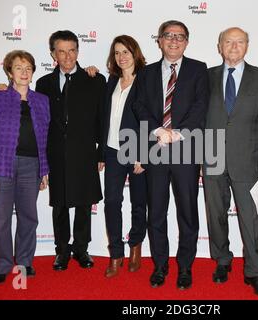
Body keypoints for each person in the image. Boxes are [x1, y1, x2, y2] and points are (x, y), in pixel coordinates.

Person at [133, 20, 209, 290]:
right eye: (169, 36)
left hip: (186, 151)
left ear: (187, 42)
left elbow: (201, 107)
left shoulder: (199, 70)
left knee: (188, 212)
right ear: (160, 40)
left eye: (180, 37)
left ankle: (185, 267)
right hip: (155, 150)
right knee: (156, 212)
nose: (174, 41)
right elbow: (139, 105)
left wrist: (176, 133)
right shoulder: (146, 72)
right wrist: (158, 130)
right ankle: (160, 265)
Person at [202, 27, 258, 298]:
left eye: (239, 42)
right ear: (219, 46)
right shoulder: (205, 77)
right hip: (212, 158)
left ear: (247, 46)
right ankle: (222, 260)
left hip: (249, 161)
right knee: (216, 215)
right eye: (228, 42)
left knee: (252, 220)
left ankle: (255, 271)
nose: (233, 46)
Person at [36, 30, 107, 271]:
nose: (67, 56)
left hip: (85, 152)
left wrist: (101, 153)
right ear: (53, 54)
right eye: (62, 51)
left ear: (78, 51)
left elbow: (102, 120)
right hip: (55, 153)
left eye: (72, 50)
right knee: (60, 204)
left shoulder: (95, 79)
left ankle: (81, 249)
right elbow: (40, 121)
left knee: (85, 203)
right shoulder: (43, 83)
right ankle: (62, 251)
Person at [0, 50, 50, 284]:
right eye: (19, 67)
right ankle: (0, 264)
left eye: (28, 67)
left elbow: (45, 138)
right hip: (1, 167)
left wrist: (44, 170)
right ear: (9, 72)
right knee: (1, 218)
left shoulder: (41, 100)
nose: (24, 72)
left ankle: (25, 261)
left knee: (29, 216)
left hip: (32, 166)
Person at [102, 35, 148, 278]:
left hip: (136, 151)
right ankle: (116, 253)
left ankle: (135, 246)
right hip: (112, 151)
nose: (121, 56)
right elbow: (103, 118)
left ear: (135, 53)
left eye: (126, 52)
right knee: (112, 202)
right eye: (117, 52)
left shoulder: (146, 80)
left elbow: (149, 119)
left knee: (139, 202)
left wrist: (143, 154)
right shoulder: (111, 81)